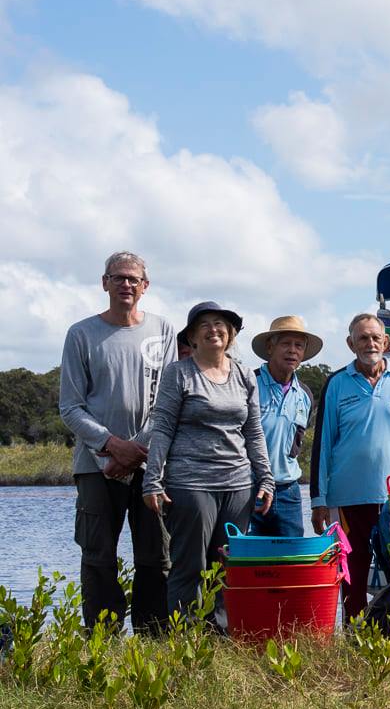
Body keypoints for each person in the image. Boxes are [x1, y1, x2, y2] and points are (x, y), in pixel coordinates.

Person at [58, 251, 177, 633]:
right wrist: (112, 445)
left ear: (145, 286)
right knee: (98, 557)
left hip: (151, 466)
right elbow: (70, 407)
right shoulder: (81, 334)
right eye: (118, 277)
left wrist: (134, 451)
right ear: (104, 282)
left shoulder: (163, 330)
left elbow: (167, 404)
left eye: (133, 279)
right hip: (96, 467)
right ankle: (102, 642)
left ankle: (153, 640)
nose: (126, 284)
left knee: (156, 557)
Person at [141, 303, 274, 615]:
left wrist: (266, 479)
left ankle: (222, 635)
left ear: (230, 334)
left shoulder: (244, 374)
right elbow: (162, 427)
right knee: (190, 565)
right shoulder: (179, 373)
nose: (214, 329)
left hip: (238, 485)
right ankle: (185, 634)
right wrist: (152, 480)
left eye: (220, 324)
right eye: (204, 325)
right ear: (192, 337)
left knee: (228, 565)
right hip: (190, 483)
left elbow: (253, 431)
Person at [309, 312, 390, 621]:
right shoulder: (336, 383)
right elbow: (323, 444)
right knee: (353, 572)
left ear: (386, 342)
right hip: (348, 498)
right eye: (362, 338)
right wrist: (318, 500)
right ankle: (354, 635)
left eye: (375, 337)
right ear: (351, 344)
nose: (370, 343)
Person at [247, 315, 321, 537]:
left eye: (298, 345)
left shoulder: (305, 394)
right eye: (286, 343)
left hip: (289, 492)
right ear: (270, 347)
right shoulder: (249, 383)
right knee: (246, 554)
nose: (292, 350)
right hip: (248, 488)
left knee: (291, 555)